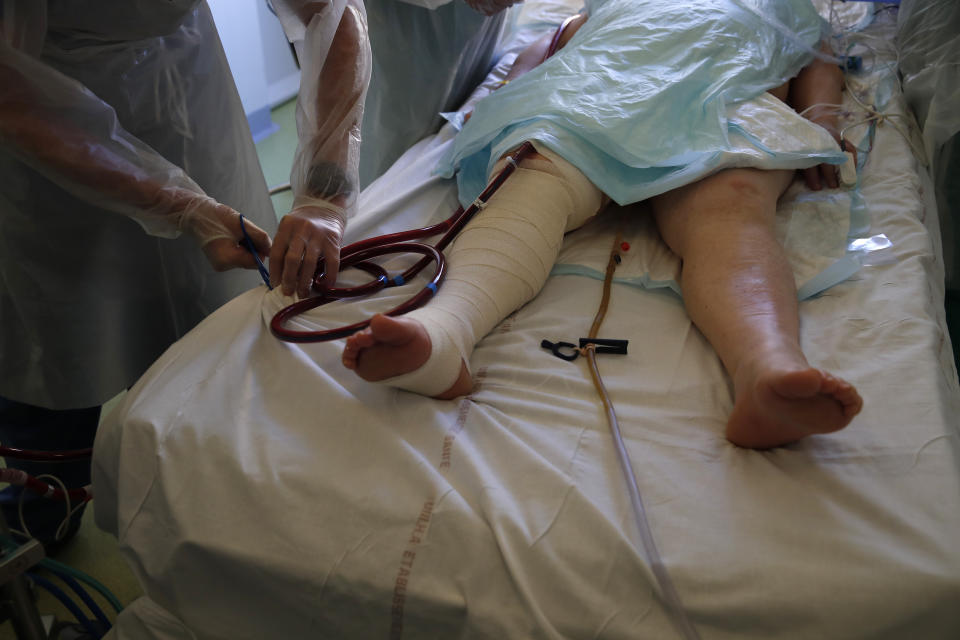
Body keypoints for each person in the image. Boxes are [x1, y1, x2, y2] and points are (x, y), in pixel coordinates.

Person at [341, 0, 864, 449]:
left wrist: (822, 121)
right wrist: (501, 97)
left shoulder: (781, 7)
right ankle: (443, 333)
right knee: (531, 180)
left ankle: (767, 367)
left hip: (725, 100)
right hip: (600, 94)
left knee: (730, 211)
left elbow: (818, 63)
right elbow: (549, 48)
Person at [0, 0, 276, 547]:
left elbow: (328, 12)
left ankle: (203, 502)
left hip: (187, 86)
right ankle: (41, 515)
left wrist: (326, 188)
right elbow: (9, 92)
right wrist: (178, 208)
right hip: (48, 138)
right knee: (58, 346)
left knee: (208, 331)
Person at [267, 0, 520, 299]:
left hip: (477, 31)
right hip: (396, 31)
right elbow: (338, 23)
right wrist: (324, 196)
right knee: (388, 154)